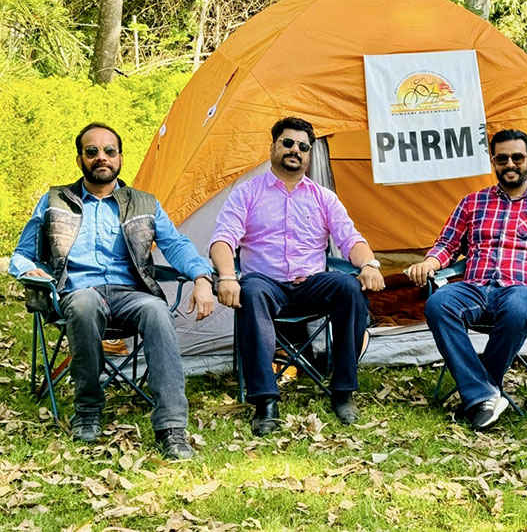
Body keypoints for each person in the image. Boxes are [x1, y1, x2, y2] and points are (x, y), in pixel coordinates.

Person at [9, 123, 215, 459]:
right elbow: (21, 253)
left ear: (120, 158)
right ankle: (88, 409)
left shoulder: (144, 203)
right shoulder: (54, 201)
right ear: (80, 159)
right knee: (85, 304)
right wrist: (28, 270)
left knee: (156, 310)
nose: (101, 157)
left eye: (109, 151)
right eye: (92, 151)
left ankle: (171, 427)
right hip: (78, 293)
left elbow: (177, 245)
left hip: (130, 295)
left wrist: (202, 277)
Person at [210, 116, 384, 435]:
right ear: (273, 147)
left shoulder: (323, 197)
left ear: (309, 154)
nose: (295, 150)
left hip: (311, 286)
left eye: (303, 147)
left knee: (349, 288)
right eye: (288, 143)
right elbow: (222, 240)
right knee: (250, 290)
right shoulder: (247, 193)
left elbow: (350, 239)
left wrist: (369, 264)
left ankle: (343, 391)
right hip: (266, 286)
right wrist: (226, 276)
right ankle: (265, 401)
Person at [406, 129, 527, 430]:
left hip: (523, 291)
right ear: (494, 161)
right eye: (502, 159)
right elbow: (447, 244)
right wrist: (430, 263)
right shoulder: (472, 202)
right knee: (438, 304)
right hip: (475, 288)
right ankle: (485, 394)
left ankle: (479, 393)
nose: (510, 164)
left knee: (517, 310)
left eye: (517, 158)